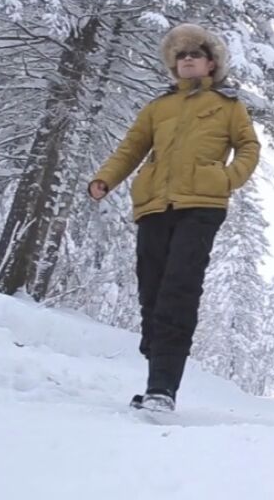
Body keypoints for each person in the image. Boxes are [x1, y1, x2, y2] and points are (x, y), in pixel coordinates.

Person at [88, 23, 260, 412]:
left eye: (194, 54)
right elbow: (130, 149)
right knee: (152, 291)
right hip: (153, 206)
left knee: (179, 290)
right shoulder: (158, 107)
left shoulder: (229, 105)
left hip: (201, 206)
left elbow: (249, 147)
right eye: (180, 55)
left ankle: (163, 388)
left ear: (211, 63)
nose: (186, 60)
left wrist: (226, 179)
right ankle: (158, 365)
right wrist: (105, 179)